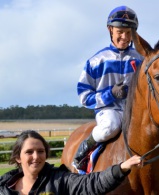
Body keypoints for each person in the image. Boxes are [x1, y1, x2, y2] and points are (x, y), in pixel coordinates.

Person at [74, 5, 143, 170]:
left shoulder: (141, 59)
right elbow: (84, 97)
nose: (125, 37)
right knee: (110, 127)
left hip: (135, 112)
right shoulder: (96, 61)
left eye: (129, 33)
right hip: (108, 111)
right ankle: (83, 152)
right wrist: (110, 94)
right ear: (110, 29)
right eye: (120, 32)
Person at [0, 130, 141, 195]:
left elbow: (93, 183)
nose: (36, 157)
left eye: (41, 151)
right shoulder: (4, 188)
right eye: (29, 152)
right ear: (18, 157)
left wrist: (121, 168)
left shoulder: (60, 180)